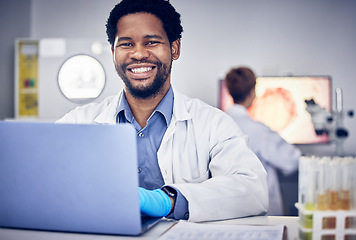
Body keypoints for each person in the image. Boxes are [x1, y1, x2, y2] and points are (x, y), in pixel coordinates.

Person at [57, 0, 268, 222]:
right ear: (113, 52)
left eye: (151, 42)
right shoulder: (78, 122)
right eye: (126, 44)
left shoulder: (213, 124)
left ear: (174, 48)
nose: (138, 54)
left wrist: (169, 200)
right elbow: (40, 180)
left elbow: (253, 189)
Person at [224, 66, 302, 216]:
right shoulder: (258, 130)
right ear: (253, 91)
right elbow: (292, 160)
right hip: (260, 210)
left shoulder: (217, 123)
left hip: (228, 209)